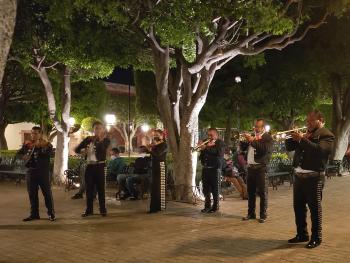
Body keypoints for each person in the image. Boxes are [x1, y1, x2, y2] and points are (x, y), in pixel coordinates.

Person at [286, 110, 334, 249]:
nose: (308, 123)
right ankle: (302, 234)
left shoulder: (326, 134)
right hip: (299, 177)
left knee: (315, 209)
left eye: (311, 121)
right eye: (307, 121)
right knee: (299, 208)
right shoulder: (306, 133)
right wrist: (291, 136)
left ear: (321, 120)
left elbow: (320, 151)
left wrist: (302, 139)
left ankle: (316, 237)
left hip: (314, 178)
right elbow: (289, 147)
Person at [17, 126, 55, 222]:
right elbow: (18, 154)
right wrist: (24, 156)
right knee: (32, 194)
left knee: (47, 193)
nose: (33, 135)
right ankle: (34, 214)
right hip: (31, 172)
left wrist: (42, 147)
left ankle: (51, 213)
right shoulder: (27, 144)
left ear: (40, 134)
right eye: (32, 133)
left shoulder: (47, 144)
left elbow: (48, 153)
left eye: (36, 133)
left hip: (43, 173)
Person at [75, 121, 110, 217]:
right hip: (89, 166)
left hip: (100, 166)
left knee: (101, 189)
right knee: (89, 189)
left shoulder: (106, 140)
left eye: (99, 128)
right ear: (93, 129)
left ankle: (103, 209)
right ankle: (89, 210)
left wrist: (100, 140)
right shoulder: (88, 139)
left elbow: (103, 149)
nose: (98, 130)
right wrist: (83, 150)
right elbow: (77, 149)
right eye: (96, 128)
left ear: (102, 129)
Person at [242, 118, 273, 223]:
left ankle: (263, 215)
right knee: (251, 193)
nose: (255, 128)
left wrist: (252, 140)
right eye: (255, 126)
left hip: (261, 168)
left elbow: (264, 149)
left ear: (263, 128)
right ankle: (251, 213)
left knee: (263, 192)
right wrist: (244, 142)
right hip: (250, 168)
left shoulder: (267, 137)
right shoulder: (254, 137)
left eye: (258, 126)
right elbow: (245, 150)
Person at [198, 128, 225, 213]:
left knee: (215, 189)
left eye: (211, 135)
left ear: (216, 135)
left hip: (215, 168)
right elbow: (203, 154)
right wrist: (201, 149)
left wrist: (206, 148)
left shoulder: (220, 143)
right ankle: (207, 205)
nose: (209, 137)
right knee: (206, 189)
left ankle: (215, 207)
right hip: (206, 168)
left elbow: (219, 153)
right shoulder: (206, 142)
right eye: (208, 135)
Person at [148, 129, 167, 213]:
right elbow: (152, 156)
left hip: (160, 167)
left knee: (159, 187)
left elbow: (157, 154)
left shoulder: (164, 145)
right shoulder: (155, 145)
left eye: (157, 135)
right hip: (154, 167)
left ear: (162, 136)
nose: (155, 136)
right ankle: (153, 207)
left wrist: (150, 150)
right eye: (154, 135)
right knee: (154, 188)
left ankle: (160, 207)